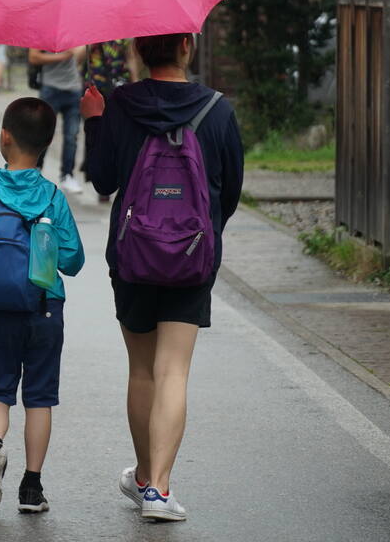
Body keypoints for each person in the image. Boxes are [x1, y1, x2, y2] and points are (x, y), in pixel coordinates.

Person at [82, 32, 243, 523]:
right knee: (174, 370)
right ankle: (159, 492)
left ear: (137, 51)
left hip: (132, 257)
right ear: (187, 48)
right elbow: (230, 191)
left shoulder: (119, 105)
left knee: (142, 370)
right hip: (192, 259)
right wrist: (202, 232)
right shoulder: (218, 110)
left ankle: (147, 477)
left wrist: (94, 122)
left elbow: (104, 182)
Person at [0, 97, 85, 515]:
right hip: (45, 308)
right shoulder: (53, 197)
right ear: (48, 145)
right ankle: (31, 488)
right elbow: (73, 260)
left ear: (4, 136)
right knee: (39, 397)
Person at [82, 40, 141, 200]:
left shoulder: (125, 34)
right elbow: (78, 57)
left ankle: (117, 172)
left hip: (119, 86)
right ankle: (101, 174)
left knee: (119, 132)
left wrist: (135, 82)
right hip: (96, 87)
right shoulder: (89, 31)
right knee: (97, 129)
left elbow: (130, 58)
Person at [29, 47, 87, 193]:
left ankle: (67, 175)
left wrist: (80, 51)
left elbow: (78, 58)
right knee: (43, 132)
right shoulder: (43, 32)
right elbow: (33, 57)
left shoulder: (75, 31)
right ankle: (35, 170)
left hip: (73, 88)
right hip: (50, 89)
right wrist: (62, 56)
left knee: (71, 136)